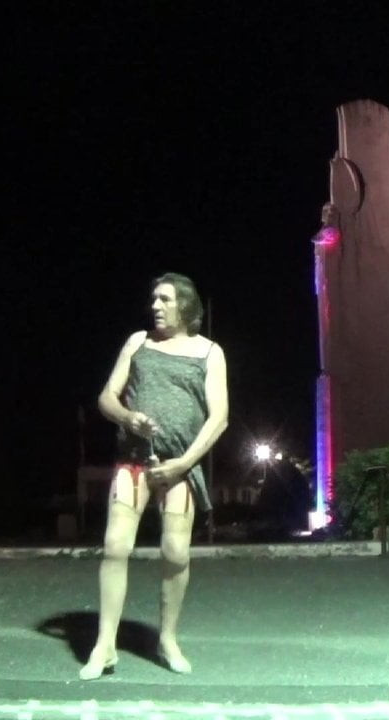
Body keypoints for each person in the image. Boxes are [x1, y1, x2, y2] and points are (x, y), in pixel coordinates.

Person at [80, 272, 229, 679]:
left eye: (165, 299)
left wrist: (185, 463)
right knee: (115, 547)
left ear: (185, 304)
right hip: (133, 462)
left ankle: (167, 639)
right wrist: (128, 417)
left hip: (180, 467)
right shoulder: (138, 342)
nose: (156, 306)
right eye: (154, 299)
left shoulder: (210, 352)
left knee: (176, 552)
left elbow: (219, 417)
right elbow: (106, 397)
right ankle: (105, 645)